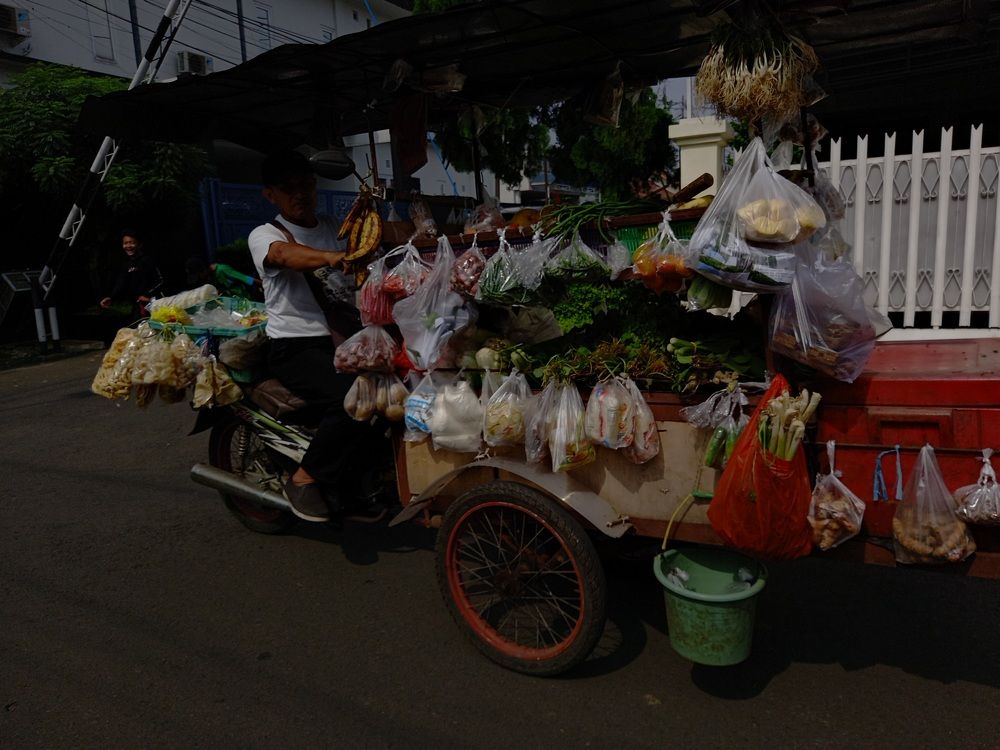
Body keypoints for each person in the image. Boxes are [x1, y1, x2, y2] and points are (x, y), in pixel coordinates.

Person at [247, 150, 380, 523]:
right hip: (296, 346)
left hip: (345, 339)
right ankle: (304, 478)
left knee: (393, 390)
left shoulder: (332, 224)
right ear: (270, 195)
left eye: (305, 185)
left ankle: (360, 482)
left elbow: (377, 240)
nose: (300, 194)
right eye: (288, 189)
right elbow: (283, 256)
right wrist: (332, 257)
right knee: (353, 398)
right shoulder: (265, 234)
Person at [100, 230, 163, 317]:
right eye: (125, 243)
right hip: (138, 306)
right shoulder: (127, 264)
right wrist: (111, 297)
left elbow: (160, 281)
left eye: (132, 243)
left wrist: (146, 295)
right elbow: (121, 284)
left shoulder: (148, 260)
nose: (128, 246)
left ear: (140, 244)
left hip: (155, 303)